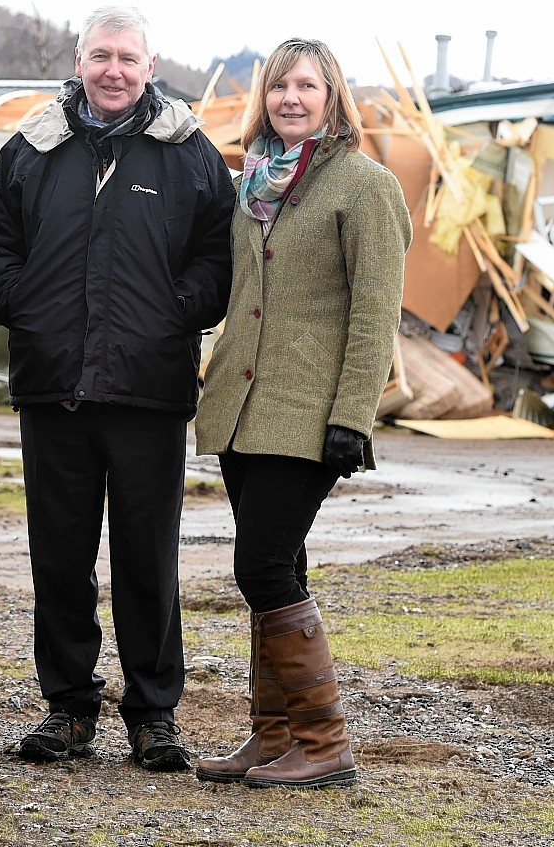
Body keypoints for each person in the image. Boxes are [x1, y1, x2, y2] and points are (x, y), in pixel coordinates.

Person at [0, 5, 232, 772]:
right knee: (59, 556)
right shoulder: (34, 145)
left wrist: (170, 315)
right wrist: (27, 307)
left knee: (147, 560)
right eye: (100, 56)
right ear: (78, 61)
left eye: (128, 57)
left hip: (149, 390)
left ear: (151, 67)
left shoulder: (187, 153)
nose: (113, 70)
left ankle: (153, 715)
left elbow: (219, 256)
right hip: (54, 388)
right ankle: (68, 710)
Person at [192, 38, 411, 789]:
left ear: (332, 95)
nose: (291, 97)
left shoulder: (364, 185)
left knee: (257, 565)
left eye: (306, 85)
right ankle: (275, 734)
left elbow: (376, 312)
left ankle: (325, 742)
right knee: (280, 565)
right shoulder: (253, 182)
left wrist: (354, 413)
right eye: (279, 85)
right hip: (242, 410)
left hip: (309, 414)